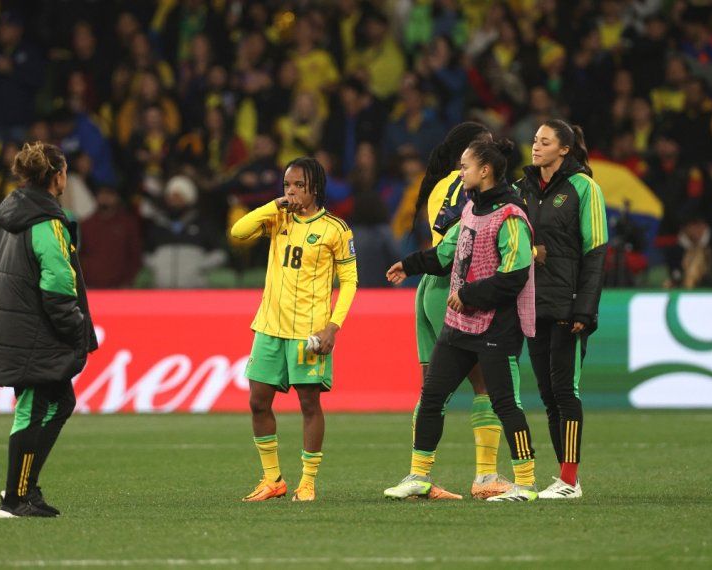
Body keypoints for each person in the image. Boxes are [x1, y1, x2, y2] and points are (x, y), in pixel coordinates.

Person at [384, 139, 540, 502]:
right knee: (432, 396)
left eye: (465, 166)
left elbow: (514, 275)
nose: (460, 171)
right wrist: (408, 264)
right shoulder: (470, 209)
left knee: (505, 404)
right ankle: (418, 476)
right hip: (459, 325)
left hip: (496, 327)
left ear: (485, 171)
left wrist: (469, 294)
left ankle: (526, 483)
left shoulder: (511, 215)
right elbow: (444, 254)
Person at [0, 142, 98, 517]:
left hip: (12, 325)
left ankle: (25, 488)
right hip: (38, 331)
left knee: (60, 403)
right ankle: (14, 500)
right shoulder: (48, 223)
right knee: (32, 410)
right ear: (57, 175)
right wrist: (77, 330)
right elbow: (59, 287)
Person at [230, 157, 358, 502]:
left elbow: (349, 282)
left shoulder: (335, 229)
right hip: (269, 326)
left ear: (315, 188)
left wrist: (333, 327)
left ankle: (308, 482)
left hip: (308, 331)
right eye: (286, 185)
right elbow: (238, 232)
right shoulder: (278, 217)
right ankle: (272, 479)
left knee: (309, 404)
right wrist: (274, 205)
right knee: (258, 402)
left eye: (298, 185)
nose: (291, 192)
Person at [409, 122, 515, 500]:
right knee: (486, 383)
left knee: (432, 389)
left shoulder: (439, 186)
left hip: (428, 289)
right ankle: (486, 478)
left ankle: (418, 475)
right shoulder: (480, 189)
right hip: (459, 289)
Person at [512, 119, 607, 499]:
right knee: (549, 395)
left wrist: (585, 309)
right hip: (531, 304)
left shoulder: (584, 188)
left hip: (568, 305)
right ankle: (564, 478)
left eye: (545, 141)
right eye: (535, 140)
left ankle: (570, 480)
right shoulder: (521, 189)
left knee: (566, 391)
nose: (536, 146)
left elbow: (595, 251)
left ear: (564, 149)